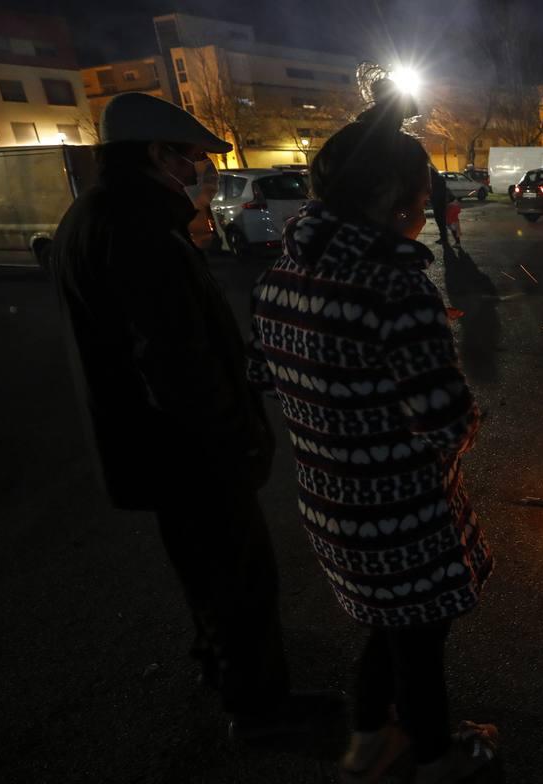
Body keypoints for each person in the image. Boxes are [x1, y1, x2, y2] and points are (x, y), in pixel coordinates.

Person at [51, 92, 342, 741]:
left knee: (201, 566)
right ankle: (259, 705)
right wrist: (233, 440)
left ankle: (219, 660)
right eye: (189, 159)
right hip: (190, 454)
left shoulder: (93, 216)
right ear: (155, 154)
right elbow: (175, 361)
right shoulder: (141, 232)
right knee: (241, 575)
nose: (197, 173)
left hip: (150, 448)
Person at [250, 85, 498, 784]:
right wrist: (427, 355)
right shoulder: (392, 283)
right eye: (419, 200)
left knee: (386, 624)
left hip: (329, 500)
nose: (420, 213)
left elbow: (264, 375)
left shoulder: (281, 273)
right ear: (390, 194)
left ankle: (367, 740)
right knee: (420, 637)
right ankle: (431, 761)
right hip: (401, 511)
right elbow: (446, 419)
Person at [429, 165, 449, 243]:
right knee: (441, 221)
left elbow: (437, 192)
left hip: (439, 203)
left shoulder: (435, 180)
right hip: (441, 202)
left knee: (440, 221)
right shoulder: (439, 178)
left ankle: (444, 238)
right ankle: (444, 237)